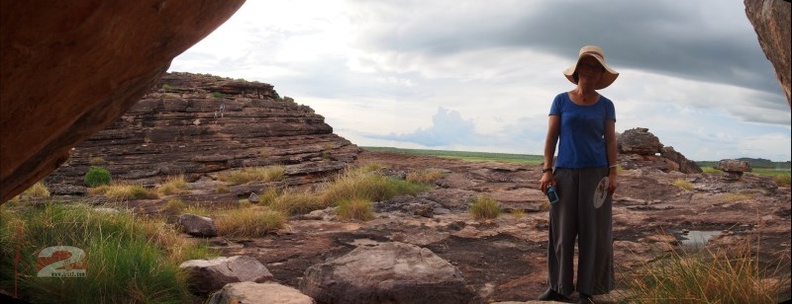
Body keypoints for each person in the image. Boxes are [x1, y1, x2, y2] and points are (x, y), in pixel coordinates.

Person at [537, 45, 619, 304]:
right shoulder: (561, 100)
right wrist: (547, 170)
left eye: (597, 67)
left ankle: (587, 289)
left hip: (597, 175)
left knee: (593, 233)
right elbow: (552, 137)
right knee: (561, 232)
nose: (592, 71)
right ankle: (558, 286)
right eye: (588, 65)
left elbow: (610, 142)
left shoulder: (606, 105)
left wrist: (613, 173)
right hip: (564, 174)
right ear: (578, 69)